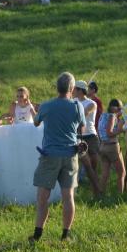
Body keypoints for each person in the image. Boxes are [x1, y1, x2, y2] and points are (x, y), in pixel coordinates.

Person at [30, 73, 88, 242]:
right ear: (72, 89)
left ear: (57, 88)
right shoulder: (78, 107)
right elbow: (82, 128)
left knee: (42, 196)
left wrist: (41, 110)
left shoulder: (47, 106)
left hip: (50, 156)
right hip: (70, 155)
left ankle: (38, 234)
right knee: (68, 196)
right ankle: (65, 234)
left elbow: (35, 122)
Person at [72, 83, 103, 196]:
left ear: (80, 90)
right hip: (78, 136)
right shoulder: (72, 101)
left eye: (75, 89)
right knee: (78, 165)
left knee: (93, 165)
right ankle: (78, 191)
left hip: (90, 136)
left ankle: (96, 192)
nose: (73, 90)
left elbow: (83, 115)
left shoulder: (91, 103)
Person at [96, 98, 126, 195]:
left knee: (105, 174)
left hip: (102, 146)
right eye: (120, 109)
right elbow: (109, 132)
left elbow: (100, 131)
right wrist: (121, 130)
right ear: (116, 108)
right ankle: (119, 196)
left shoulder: (103, 115)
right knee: (122, 173)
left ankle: (100, 194)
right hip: (112, 146)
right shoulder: (112, 116)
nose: (121, 112)